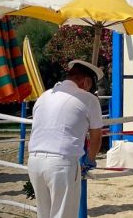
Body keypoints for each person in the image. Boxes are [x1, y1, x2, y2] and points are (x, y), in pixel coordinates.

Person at [27, 59, 104, 218]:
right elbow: (96, 137)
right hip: (62, 164)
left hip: (34, 161)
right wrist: (90, 159)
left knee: (44, 214)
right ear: (85, 81)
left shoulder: (44, 96)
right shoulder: (89, 99)